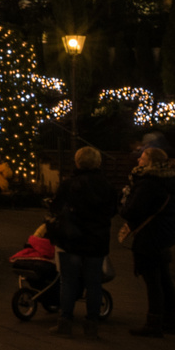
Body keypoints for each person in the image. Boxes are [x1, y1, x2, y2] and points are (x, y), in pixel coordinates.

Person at [47, 145, 119, 339]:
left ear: (77, 162)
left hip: (71, 239)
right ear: (98, 162)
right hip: (96, 240)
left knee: (68, 281)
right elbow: (113, 211)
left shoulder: (69, 185)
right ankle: (92, 324)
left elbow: (56, 208)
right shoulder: (107, 186)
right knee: (94, 282)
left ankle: (65, 321)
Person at [119, 144, 175, 338]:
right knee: (164, 278)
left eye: (143, 157)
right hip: (164, 234)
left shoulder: (148, 183)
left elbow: (133, 210)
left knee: (153, 280)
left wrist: (125, 201)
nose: (139, 160)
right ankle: (169, 321)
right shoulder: (170, 181)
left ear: (151, 162)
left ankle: (154, 322)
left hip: (149, 236)